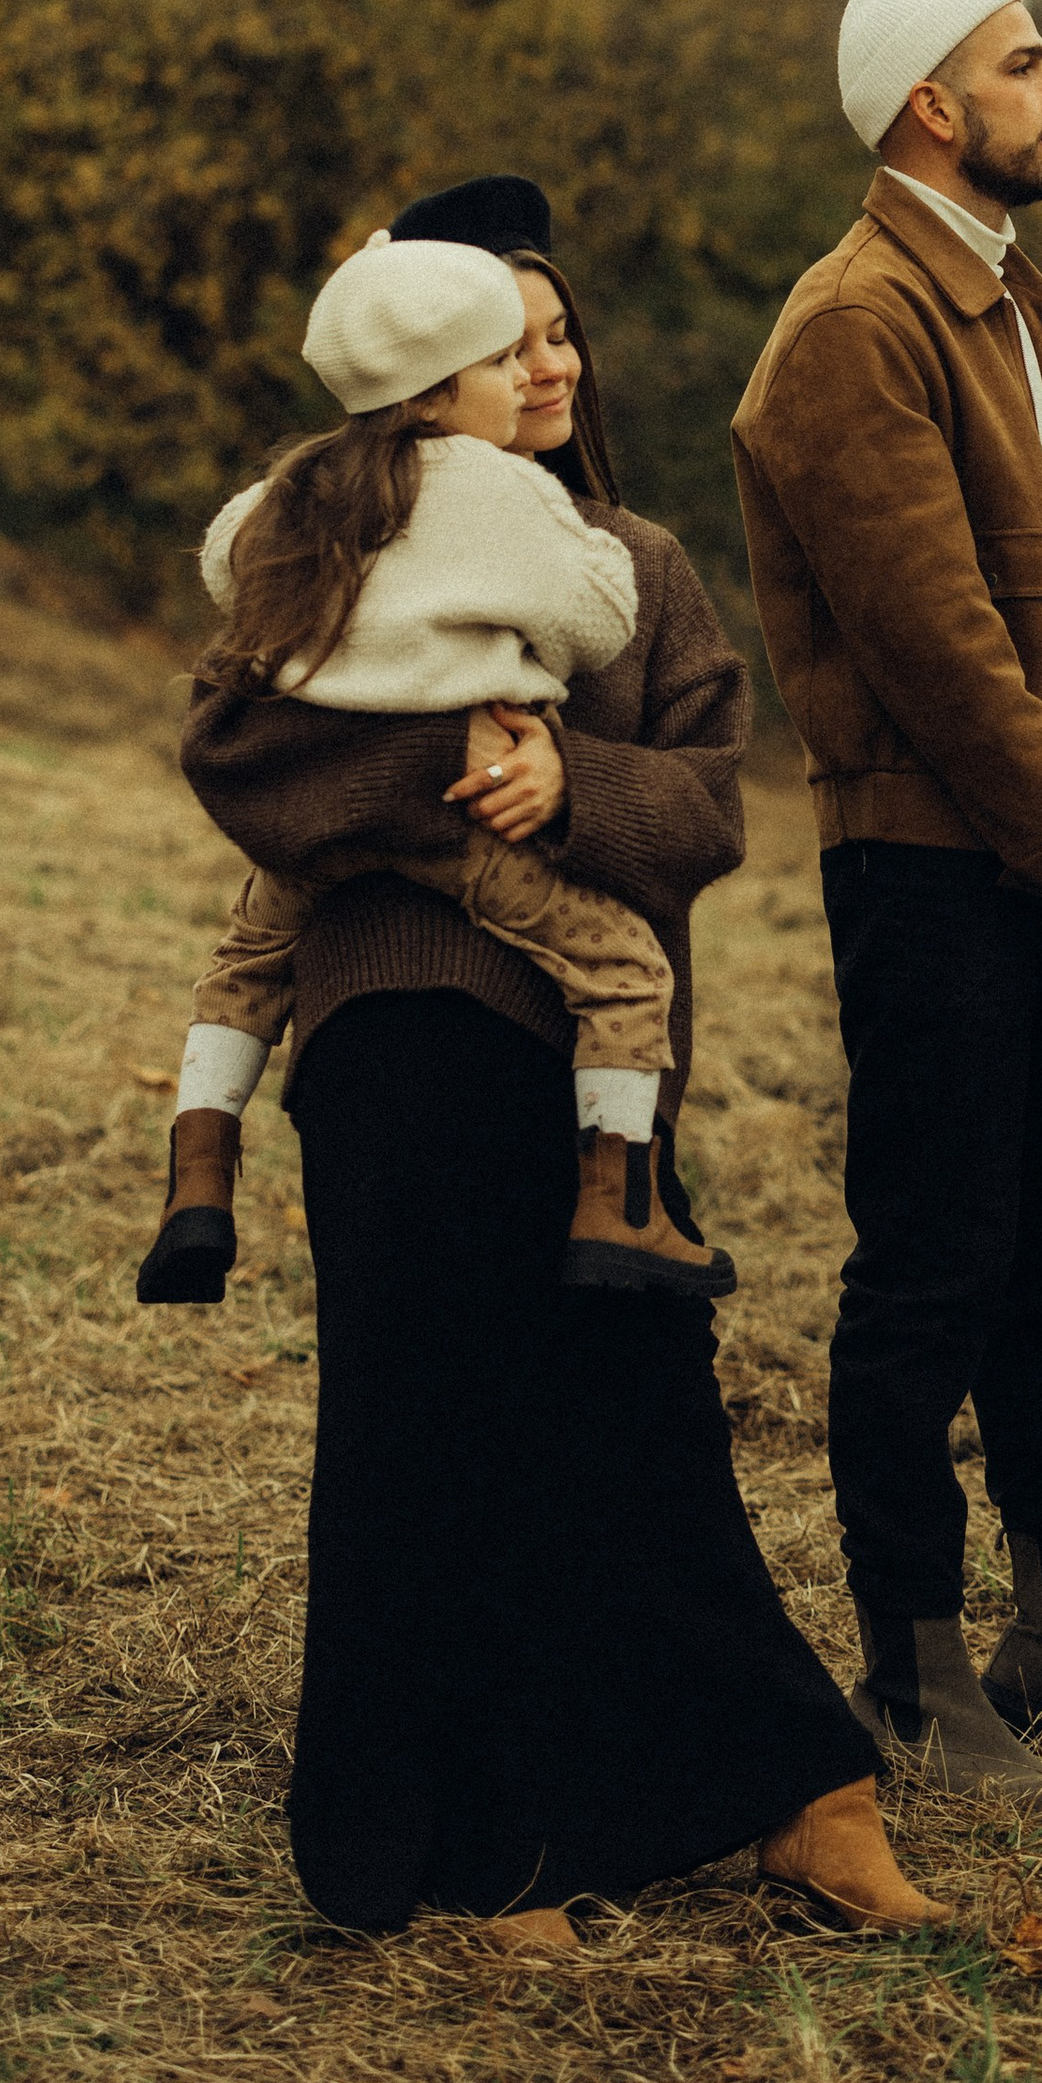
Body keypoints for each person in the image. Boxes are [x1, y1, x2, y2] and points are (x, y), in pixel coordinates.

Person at [161, 171, 943, 1943]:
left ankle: (790, 1794)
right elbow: (256, 764)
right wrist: (439, 771)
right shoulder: (342, 547)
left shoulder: (635, 573)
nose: (550, 357)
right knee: (423, 1438)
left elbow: (707, 815)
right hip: (399, 1037)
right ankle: (469, 1846)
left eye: (563, 327)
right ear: (439, 376)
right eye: (512, 337)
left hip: (598, 1077)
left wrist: (564, 787)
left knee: (641, 1430)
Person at [731, 0, 1042, 1802]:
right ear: (932, 105)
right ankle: (917, 1682)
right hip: (941, 868)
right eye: (1026, 67)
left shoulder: (1020, 303)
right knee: (933, 1263)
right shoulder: (853, 329)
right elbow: (936, 648)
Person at [137, 233, 717, 1304]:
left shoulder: (304, 487)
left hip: (320, 834)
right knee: (622, 971)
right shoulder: (500, 492)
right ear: (441, 391)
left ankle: (199, 1179)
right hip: (465, 822)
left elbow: (226, 564)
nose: (526, 379)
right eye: (501, 362)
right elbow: (597, 619)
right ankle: (618, 1207)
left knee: (242, 966)